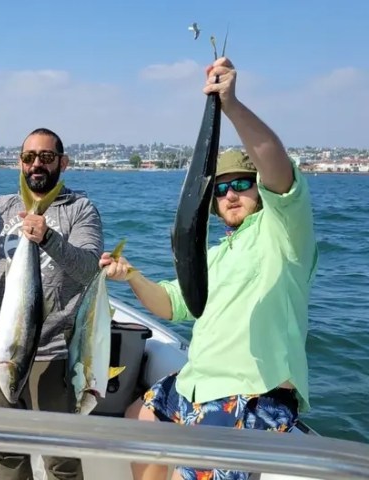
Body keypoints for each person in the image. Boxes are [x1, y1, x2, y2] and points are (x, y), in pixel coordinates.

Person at [100, 57, 318, 480]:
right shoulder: (214, 254)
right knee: (136, 416)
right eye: (220, 190)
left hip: (248, 394)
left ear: (258, 188)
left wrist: (231, 106)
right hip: (194, 382)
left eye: (241, 184)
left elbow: (278, 169)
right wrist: (131, 277)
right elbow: (172, 306)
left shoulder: (283, 232)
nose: (231, 195)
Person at [0, 128, 104, 480]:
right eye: (29, 157)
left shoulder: (80, 210)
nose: (37, 164)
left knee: (61, 459)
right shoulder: (1, 207)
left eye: (46, 157)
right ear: (20, 163)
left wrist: (47, 237)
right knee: (6, 451)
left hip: (53, 352)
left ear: (62, 162)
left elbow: (88, 268)